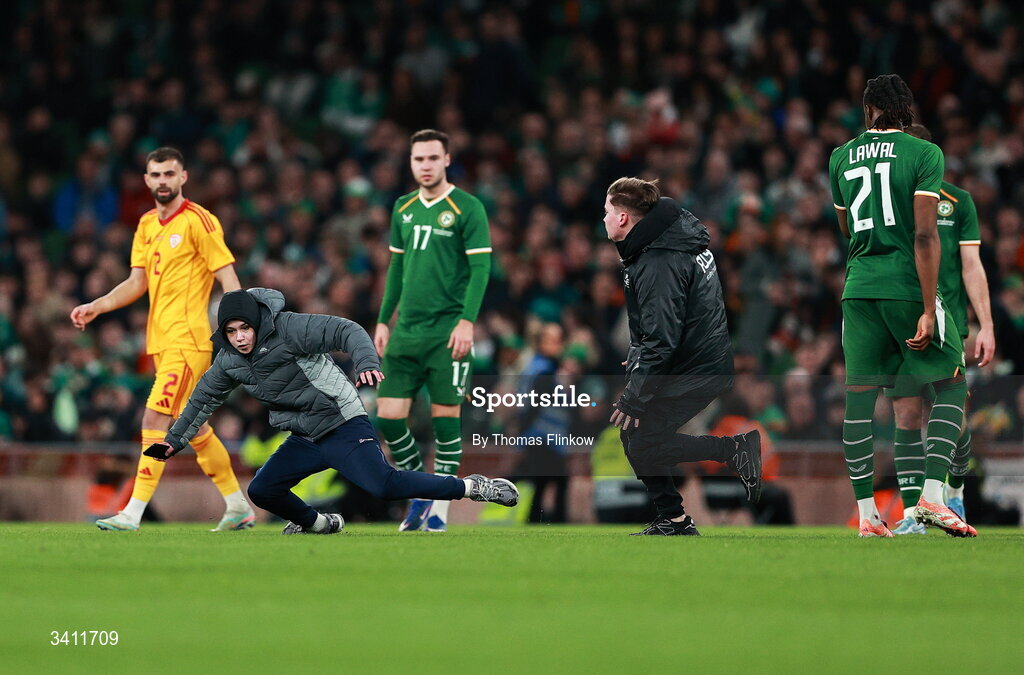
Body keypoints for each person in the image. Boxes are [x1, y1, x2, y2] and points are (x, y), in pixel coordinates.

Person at [144, 288, 519, 534]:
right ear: (223, 334)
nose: (240, 336)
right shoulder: (228, 361)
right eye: (231, 331)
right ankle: (320, 524)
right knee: (263, 489)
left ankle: (473, 487)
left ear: (258, 322)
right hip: (304, 436)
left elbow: (347, 330)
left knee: (383, 485)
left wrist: (366, 361)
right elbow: (201, 400)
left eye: (245, 327)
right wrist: (174, 441)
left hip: (342, 423)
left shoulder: (290, 328)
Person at [71, 146, 255, 532]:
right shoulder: (146, 225)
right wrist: (98, 306)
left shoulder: (200, 221)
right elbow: (137, 282)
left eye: (169, 174)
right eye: (155, 175)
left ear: (183, 177)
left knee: (154, 417)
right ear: (146, 180)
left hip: (189, 342)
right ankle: (238, 506)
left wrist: (240, 326)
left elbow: (228, 275)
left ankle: (132, 512)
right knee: (195, 427)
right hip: (161, 342)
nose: (162, 182)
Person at [828, 74, 975, 537]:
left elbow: (848, 228)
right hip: (905, 285)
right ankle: (934, 497)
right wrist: (930, 307)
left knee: (859, 401)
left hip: (858, 287)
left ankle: (869, 516)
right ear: (906, 110)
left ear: (867, 108)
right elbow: (926, 234)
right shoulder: (924, 153)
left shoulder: (839, 156)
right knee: (951, 384)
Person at [604, 176, 762, 536]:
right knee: (638, 438)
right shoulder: (673, 242)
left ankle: (733, 450)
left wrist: (634, 395)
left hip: (692, 369)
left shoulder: (658, 258)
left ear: (624, 218)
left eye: (607, 211)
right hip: (696, 362)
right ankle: (674, 519)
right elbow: (678, 320)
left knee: (640, 437)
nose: (605, 219)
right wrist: (643, 354)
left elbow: (662, 336)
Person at [374, 129, 492, 532]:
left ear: (446, 159)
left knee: (445, 422)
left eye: (431, 158)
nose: (424, 165)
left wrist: (466, 321)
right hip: (405, 331)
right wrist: (382, 320)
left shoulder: (467, 207)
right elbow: (396, 269)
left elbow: (480, 269)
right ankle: (419, 491)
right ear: (411, 163)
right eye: (417, 159)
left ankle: (440, 507)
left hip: (448, 333)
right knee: (387, 418)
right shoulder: (403, 207)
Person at [886, 123, 996, 535]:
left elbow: (971, 265)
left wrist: (986, 324)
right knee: (906, 411)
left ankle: (955, 488)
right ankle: (916, 511)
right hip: (900, 320)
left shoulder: (957, 202)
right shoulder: (887, 206)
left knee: (951, 415)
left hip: (947, 322)